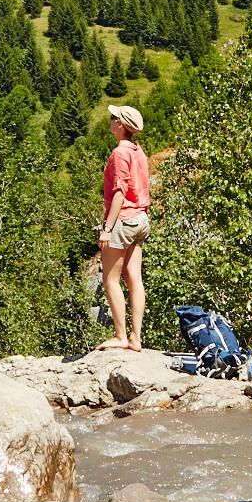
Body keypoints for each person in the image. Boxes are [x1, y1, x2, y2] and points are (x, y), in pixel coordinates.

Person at [96, 103, 150, 350]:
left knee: (111, 279)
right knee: (134, 279)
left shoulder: (120, 153)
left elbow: (119, 192)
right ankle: (135, 338)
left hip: (124, 220)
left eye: (113, 117)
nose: (110, 120)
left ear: (120, 125)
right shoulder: (139, 151)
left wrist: (107, 228)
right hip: (140, 219)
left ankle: (119, 336)